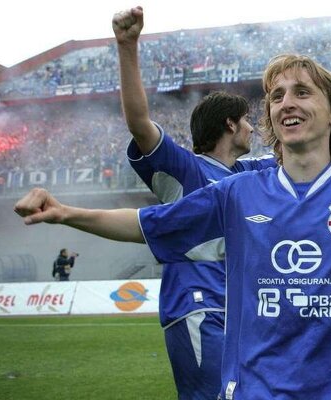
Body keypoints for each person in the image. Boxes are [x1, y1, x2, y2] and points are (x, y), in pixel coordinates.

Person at [14, 54, 331, 399]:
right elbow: (150, 225)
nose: (287, 101)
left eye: (302, 92)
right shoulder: (236, 194)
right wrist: (65, 212)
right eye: (277, 95)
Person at [112, 7, 276, 400]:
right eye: (247, 120)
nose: (253, 128)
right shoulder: (186, 170)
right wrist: (128, 47)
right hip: (199, 309)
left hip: (241, 311)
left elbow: (297, 158)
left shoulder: (247, 172)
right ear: (230, 124)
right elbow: (139, 124)